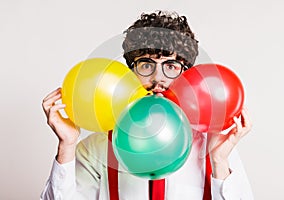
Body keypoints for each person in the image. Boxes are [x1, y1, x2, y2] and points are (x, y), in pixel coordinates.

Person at [41, 11, 254, 200]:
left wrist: (218, 161)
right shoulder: (96, 148)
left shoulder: (215, 145)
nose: (157, 79)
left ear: (187, 74)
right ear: (129, 72)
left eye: (171, 66)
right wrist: (67, 145)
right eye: (146, 65)